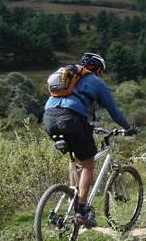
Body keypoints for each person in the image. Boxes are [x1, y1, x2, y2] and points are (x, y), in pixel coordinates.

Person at [43, 52, 138, 228]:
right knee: (88, 163)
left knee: (75, 157)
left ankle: (74, 197)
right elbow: (115, 112)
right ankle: (81, 211)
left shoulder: (69, 79)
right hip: (70, 119)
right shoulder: (95, 82)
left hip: (49, 118)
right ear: (98, 70)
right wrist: (130, 128)